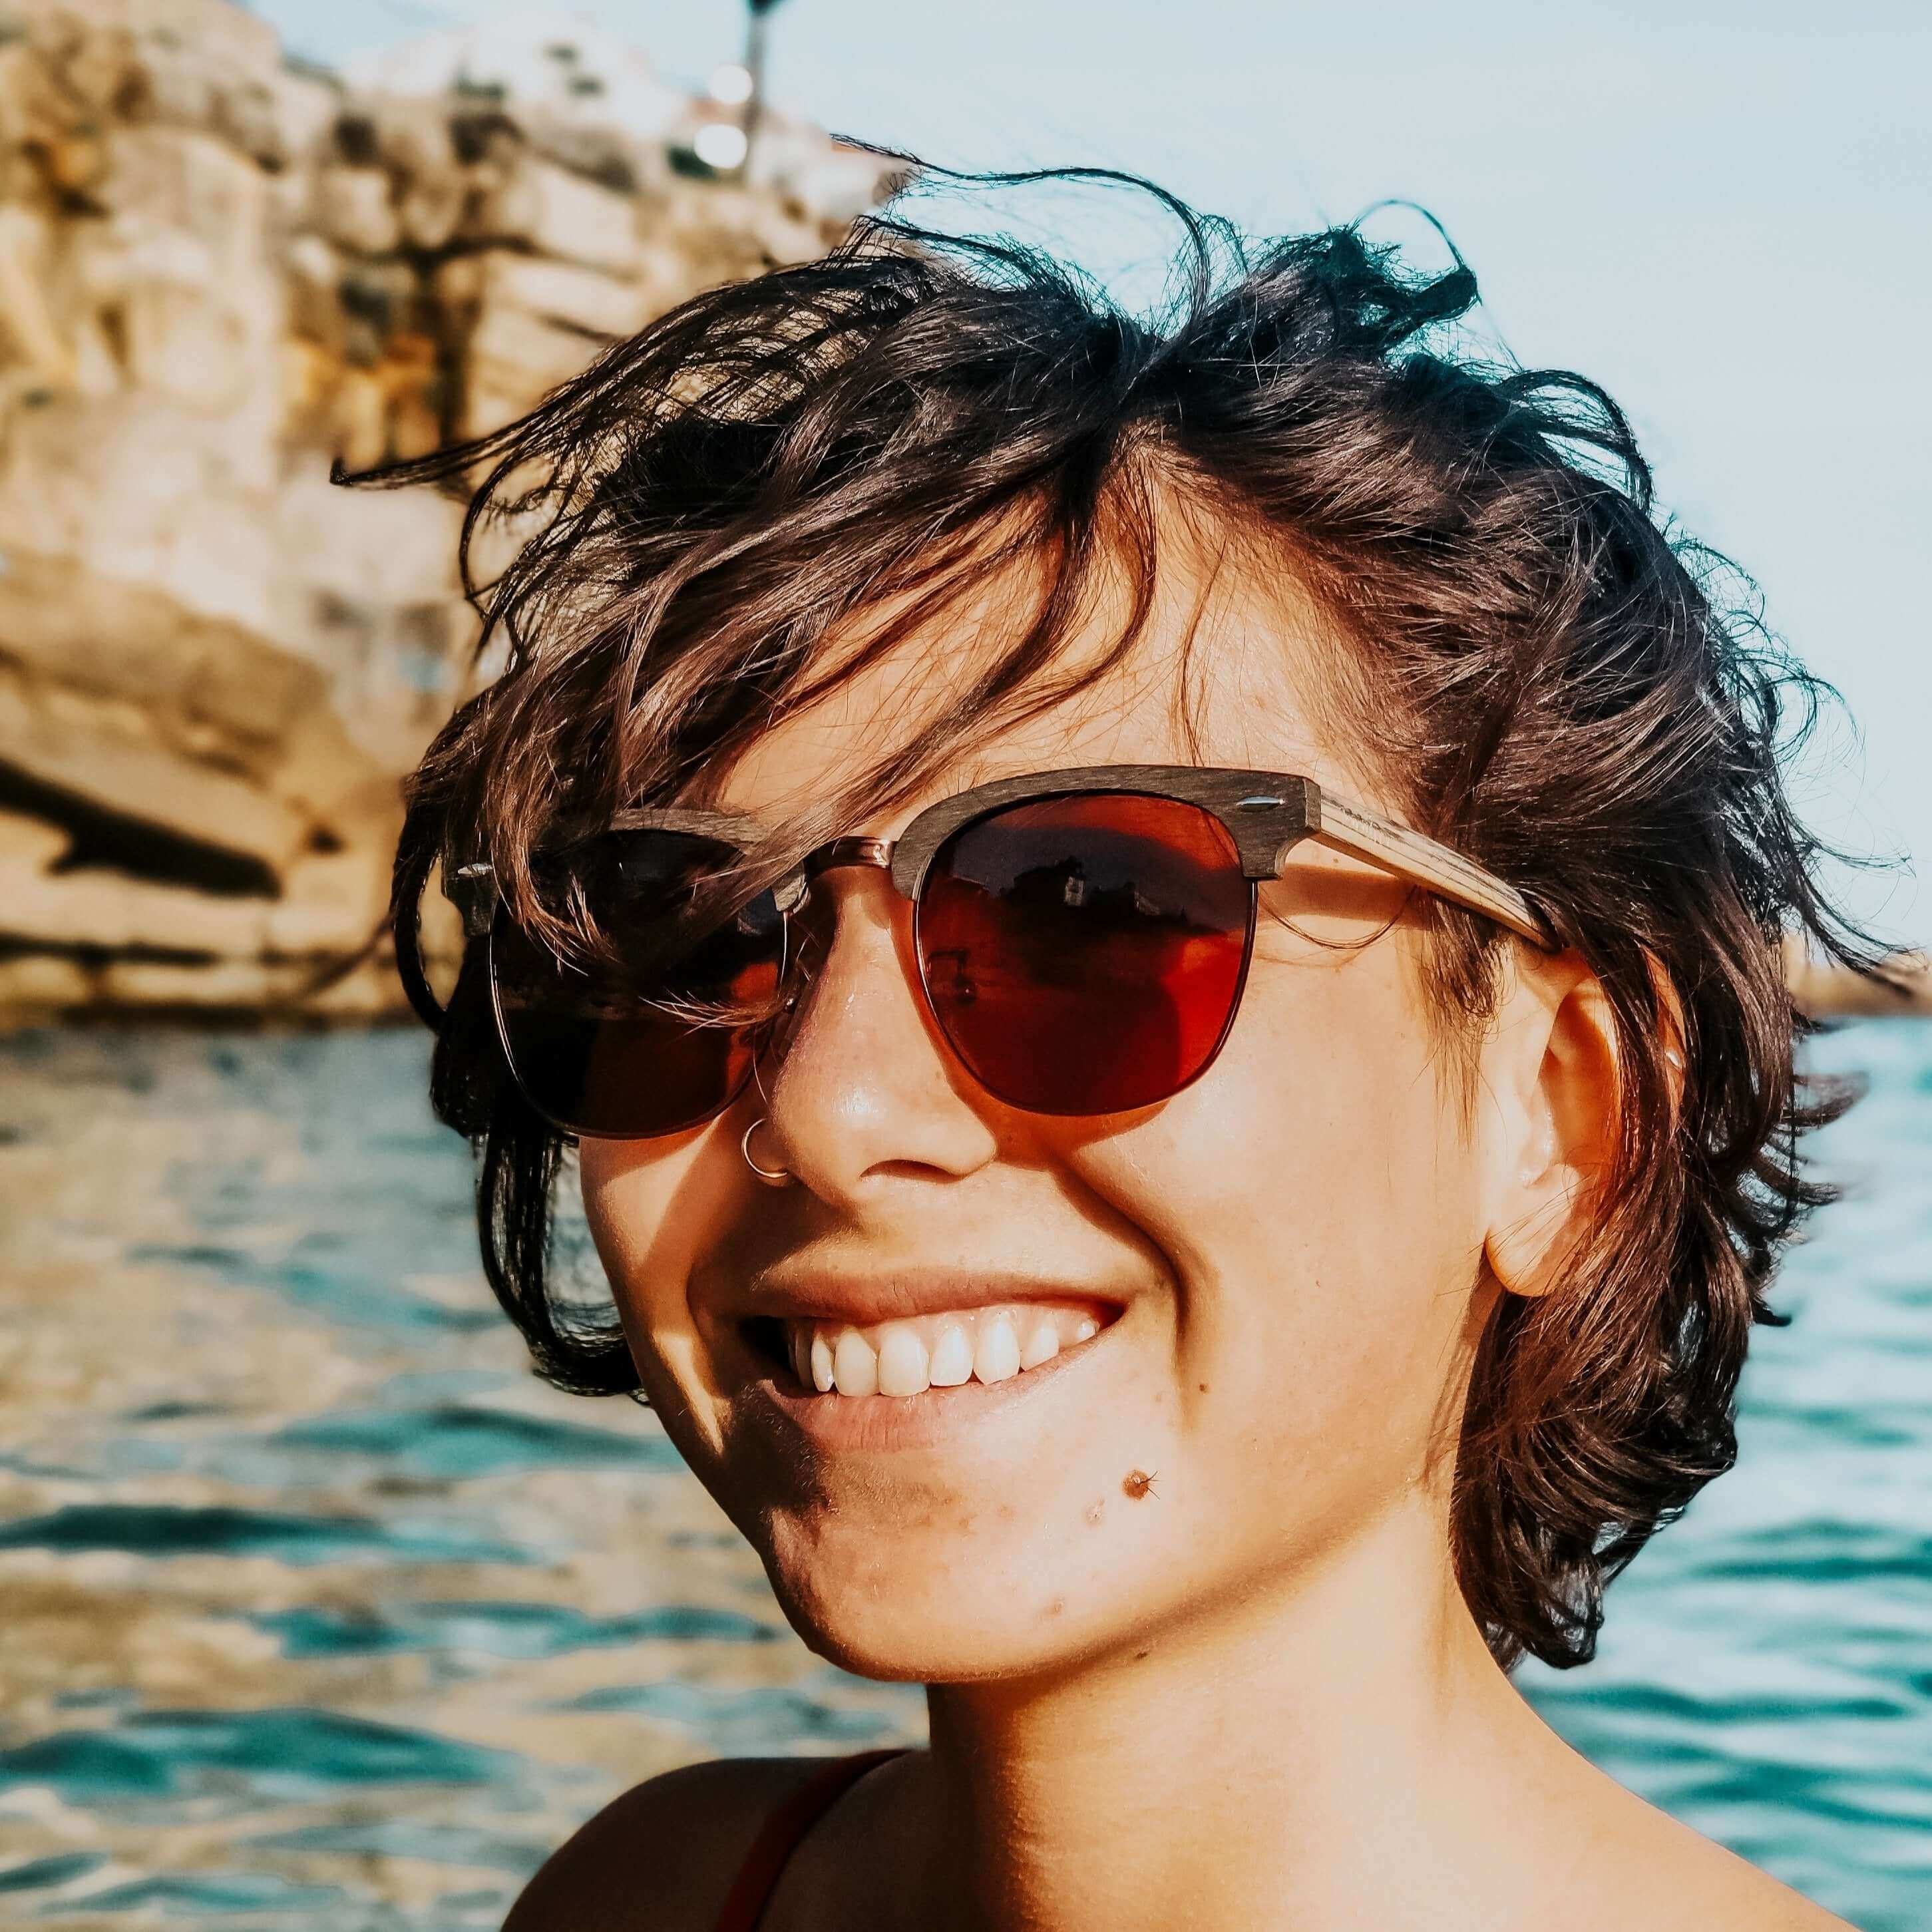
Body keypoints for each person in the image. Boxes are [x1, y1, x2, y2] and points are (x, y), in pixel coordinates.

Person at [360, 173, 1889, 1931]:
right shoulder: (665, 1894)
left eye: (1080, 910)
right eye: (686, 942)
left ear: (1553, 1113)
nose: (828, 1109)